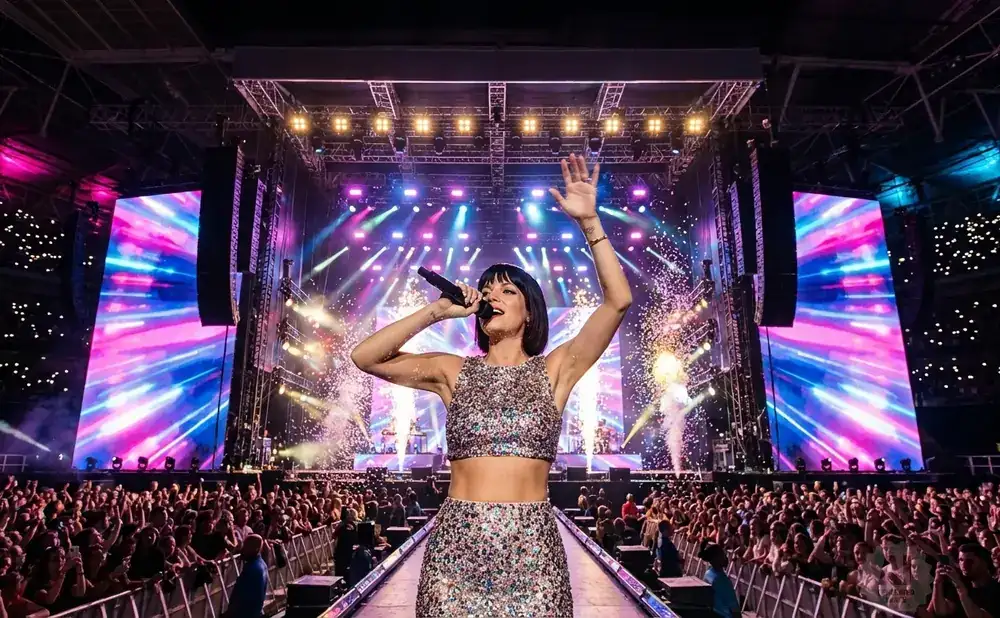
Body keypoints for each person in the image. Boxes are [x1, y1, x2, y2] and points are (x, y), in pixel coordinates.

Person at [352, 154, 631, 617]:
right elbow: (365, 357)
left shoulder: (554, 370)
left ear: (530, 310)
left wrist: (590, 223)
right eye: (489, 289)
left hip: (533, 552)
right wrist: (436, 311)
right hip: (457, 548)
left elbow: (618, 301)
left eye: (508, 291)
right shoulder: (453, 371)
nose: (493, 296)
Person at [221, 534, 267, 618]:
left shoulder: (253, 569)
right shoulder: (261, 564)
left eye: (246, 547)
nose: (243, 550)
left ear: (255, 548)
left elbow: (243, 595)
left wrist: (231, 612)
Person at [700, 542, 740, 618]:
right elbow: (733, 606)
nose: (725, 557)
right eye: (722, 555)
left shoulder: (708, 573)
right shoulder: (721, 579)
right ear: (715, 558)